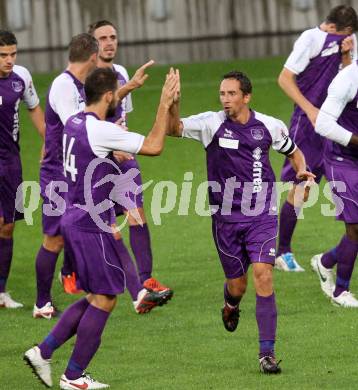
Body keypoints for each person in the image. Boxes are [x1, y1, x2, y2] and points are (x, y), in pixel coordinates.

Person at [24, 66, 179, 389]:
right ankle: (74, 376)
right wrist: (164, 104)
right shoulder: (100, 130)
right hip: (89, 224)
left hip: (75, 216)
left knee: (98, 294)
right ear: (109, 97)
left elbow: (93, 148)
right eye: (116, 95)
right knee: (106, 298)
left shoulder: (76, 121)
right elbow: (154, 145)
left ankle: (44, 351)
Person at [167, 70, 315, 373]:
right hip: (226, 220)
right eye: (222, 94)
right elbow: (172, 128)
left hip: (262, 215)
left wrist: (302, 171)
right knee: (238, 285)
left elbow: (294, 152)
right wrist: (173, 103)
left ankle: (267, 354)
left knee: (264, 275)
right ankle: (231, 305)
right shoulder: (211, 124)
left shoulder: (270, 126)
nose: (225, 99)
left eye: (231, 94)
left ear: (246, 97)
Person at [88, 20, 173, 298]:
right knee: (96, 223)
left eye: (113, 36)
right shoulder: (88, 79)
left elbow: (122, 113)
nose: (109, 42)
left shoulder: (121, 72)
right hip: (95, 161)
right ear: (92, 43)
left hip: (123, 159)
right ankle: (77, 273)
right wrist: (112, 146)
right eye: (103, 38)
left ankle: (146, 281)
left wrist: (122, 138)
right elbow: (88, 118)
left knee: (137, 215)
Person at [275, 5, 358, 271]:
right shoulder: (310, 39)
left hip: (335, 124)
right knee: (302, 186)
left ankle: (338, 254)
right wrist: (310, 109)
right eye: (348, 34)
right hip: (307, 124)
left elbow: (345, 78)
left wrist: (346, 57)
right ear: (337, 28)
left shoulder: (344, 43)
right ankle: (282, 252)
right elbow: (285, 79)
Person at [33, 33, 99, 319]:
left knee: (78, 229)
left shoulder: (79, 85)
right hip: (56, 175)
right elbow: (76, 125)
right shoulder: (63, 86)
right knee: (54, 239)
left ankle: (73, 276)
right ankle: (41, 303)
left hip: (72, 171)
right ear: (93, 57)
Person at [0, 30, 45, 308]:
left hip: (10, 163)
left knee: (6, 227)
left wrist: (49, 141)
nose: (9, 60)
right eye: (3, 55)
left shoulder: (21, 78)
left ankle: (1, 293)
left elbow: (35, 109)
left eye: (13, 54)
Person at [312, 60, 358, 307]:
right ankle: (340, 292)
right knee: (355, 227)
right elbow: (322, 124)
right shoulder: (348, 79)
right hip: (342, 159)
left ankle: (326, 262)